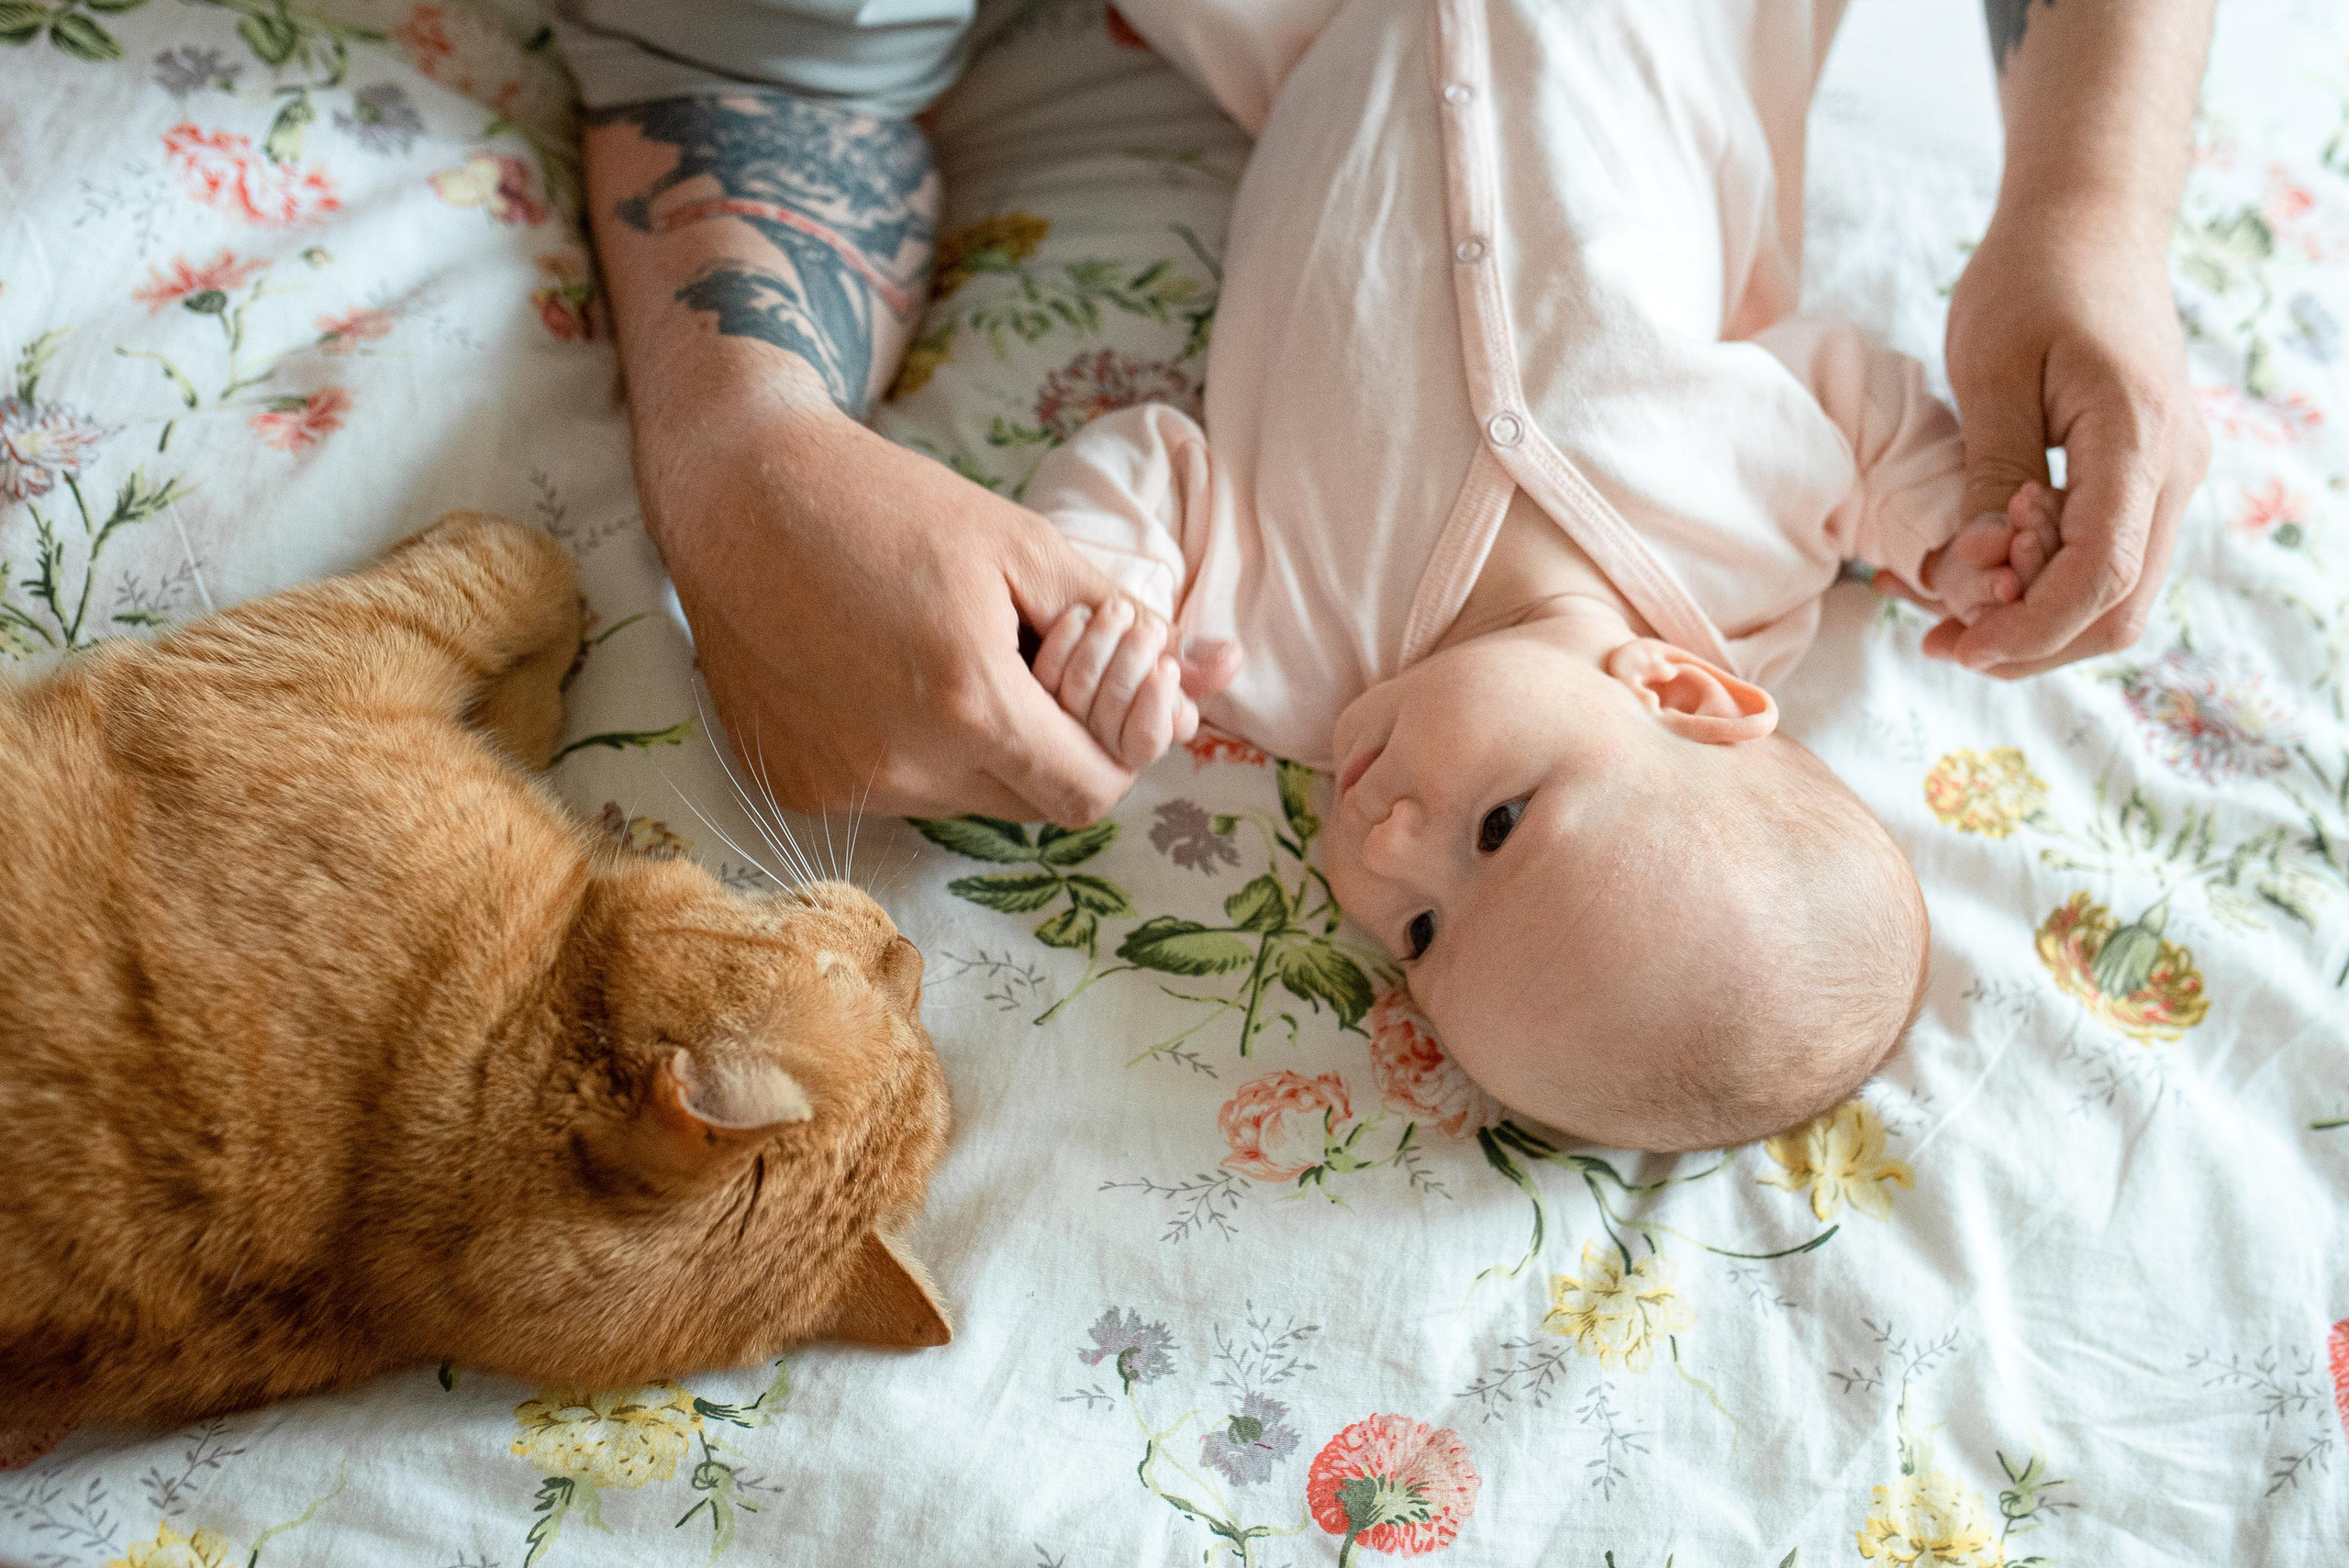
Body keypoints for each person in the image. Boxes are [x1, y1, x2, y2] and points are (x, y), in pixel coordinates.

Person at [567, 0, 2213, 833]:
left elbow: (1163, 476)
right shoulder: (1748, 552)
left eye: (1417, 935)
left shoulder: (1286, 661)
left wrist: (1105, 607)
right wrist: (1954, 517)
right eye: (1501, 834)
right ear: (1689, 697)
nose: (1399, 847)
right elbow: (1860, 402)